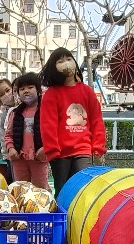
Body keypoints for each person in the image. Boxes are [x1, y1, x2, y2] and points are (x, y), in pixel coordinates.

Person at [39, 48, 106, 195]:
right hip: (60, 154)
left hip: (83, 150)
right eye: (60, 61)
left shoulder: (87, 92)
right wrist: (52, 150)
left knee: (83, 189)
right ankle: (61, 211)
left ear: (75, 62)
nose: (66, 63)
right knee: (63, 191)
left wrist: (98, 146)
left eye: (69, 59)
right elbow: (48, 125)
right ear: (54, 67)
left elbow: (97, 120)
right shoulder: (51, 94)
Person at [4, 72, 50, 190]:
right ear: (18, 93)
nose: (26, 91)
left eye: (30, 87)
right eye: (22, 89)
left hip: (39, 158)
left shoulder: (46, 111)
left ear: (38, 90)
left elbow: (52, 133)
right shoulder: (15, 113)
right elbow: (8, 135)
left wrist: (45, 148)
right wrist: (11, 149)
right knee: (21, 190)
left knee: (40, 189)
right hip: (19, 159)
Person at [0, 78, 15, 184]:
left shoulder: (25, 108)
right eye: (1, 94)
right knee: (12, 182)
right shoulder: (3, 115)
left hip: (28, 154)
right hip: (11, 155)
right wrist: (7, 154)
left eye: (7, 90)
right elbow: (2, 135)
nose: (6, 95)